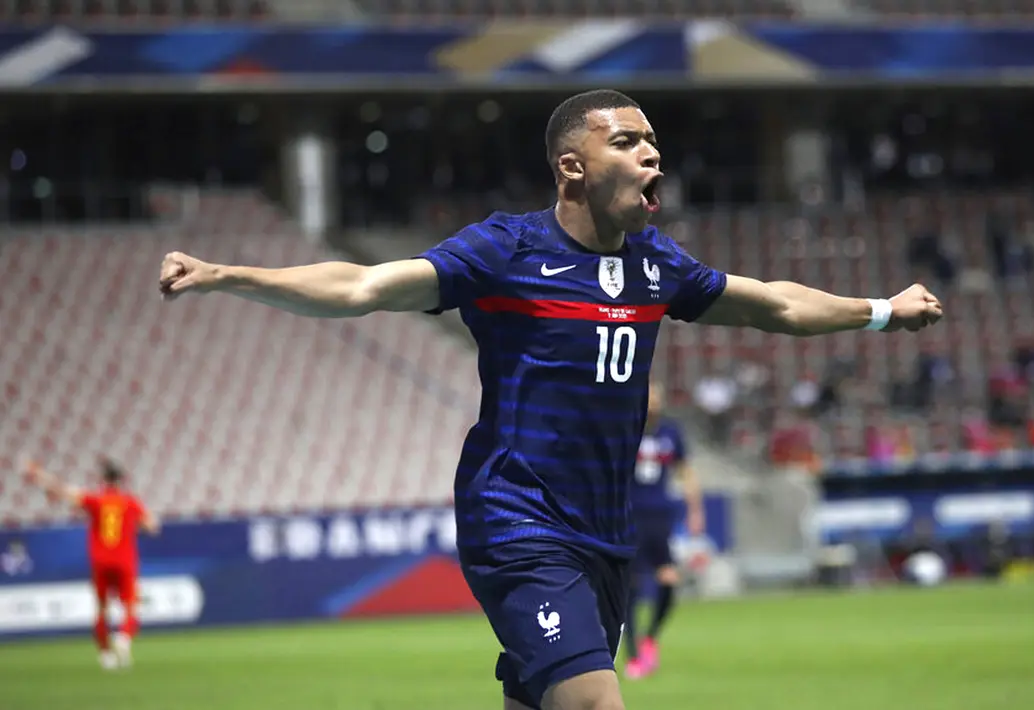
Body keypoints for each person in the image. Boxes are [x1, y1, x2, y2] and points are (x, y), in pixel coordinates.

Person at [158, 89, 943, 710]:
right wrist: (232, 277)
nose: (650, 154)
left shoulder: (654, 265)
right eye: (627, 142)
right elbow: (362, 284)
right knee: (597, 703)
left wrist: (881, 310)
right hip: (518, 519)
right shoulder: (506, 250)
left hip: (605, 534)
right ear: (571, 168)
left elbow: (773, 304)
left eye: (652, 143)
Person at [23, 457, 160, 669]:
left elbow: (63, 491)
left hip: (101, 561)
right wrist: (138, 528)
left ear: (103, 480)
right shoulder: (130, 502)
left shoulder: (95, 500)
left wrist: (40, 476)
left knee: (102, 609)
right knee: (131, 606)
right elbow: (152, 527)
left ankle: (106, 656)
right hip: (124, 560)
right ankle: (123, 637)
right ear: (121, 480)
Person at [623, 382, 702, 680]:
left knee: (669, 580)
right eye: (649, 395)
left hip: (660, 517)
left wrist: (695, 510)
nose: (653, 401)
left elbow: (685, 471)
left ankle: (650, 638)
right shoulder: (625, 427)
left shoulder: (671, 432)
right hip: (629, 516)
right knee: (630, 587)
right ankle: (632, 656)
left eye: (657, 396)